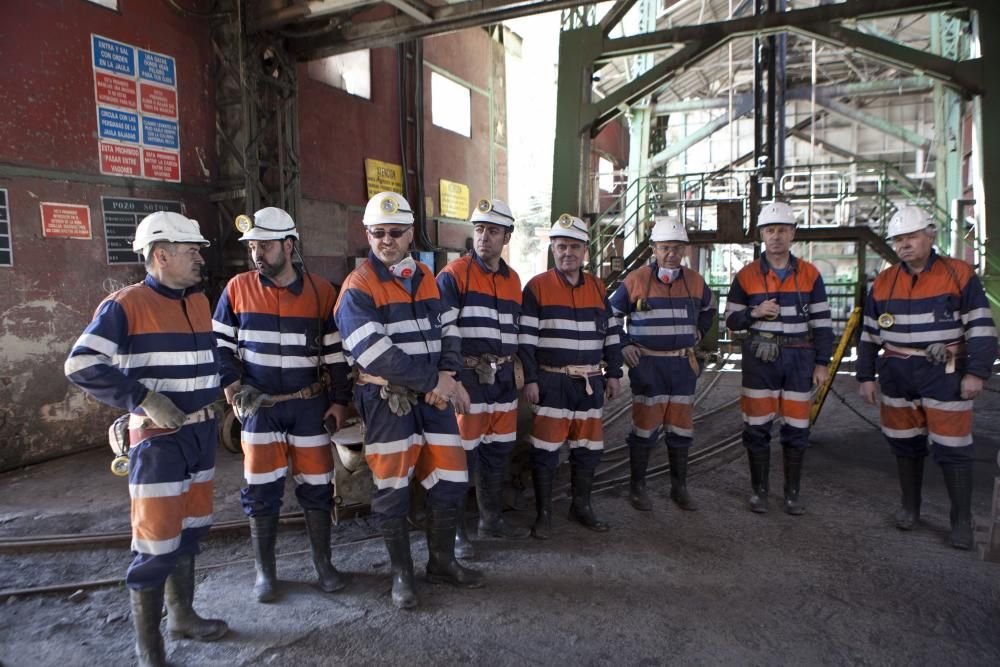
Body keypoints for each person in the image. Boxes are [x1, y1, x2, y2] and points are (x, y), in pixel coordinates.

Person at [65, 211, 228, 667]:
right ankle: (149, 652)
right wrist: (143, 398)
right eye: (191, 250)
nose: (200, 258)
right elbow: (80, 365)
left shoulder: (198, 302)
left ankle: (183, 617)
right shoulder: (125, 305)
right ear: (161, 254)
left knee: (191, 532)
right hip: (159, 442)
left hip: (199, 433)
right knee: (156, 542)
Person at [334, 191, 483, 609]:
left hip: (433, 396)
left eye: (395, 232)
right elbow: (375, 353)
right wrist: (437, 382)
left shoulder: (426, 275)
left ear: (411, 233)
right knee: (392, 488)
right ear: (367, 234)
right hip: (387, 400)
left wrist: (450, 376)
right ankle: (402, 575)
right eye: (378, 233)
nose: (386, 240)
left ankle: (441, 561)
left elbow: (450, 330)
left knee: (452, 479)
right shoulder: (357, 288)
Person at [213, 207, 352, 603]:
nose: (258, 254)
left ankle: (324, 565)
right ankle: (265, 574)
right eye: (253, 246)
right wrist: (232, 382)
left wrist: (340, 402)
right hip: (259, 409)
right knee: (260, 490)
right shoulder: (237, 288)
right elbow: (220, 343)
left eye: (266, 246)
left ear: (288, 246)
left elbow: (336, 354)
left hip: (309, 406)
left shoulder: (322, 292)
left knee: (317, 487)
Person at [857, 205, 996, 549]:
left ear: (930, 236)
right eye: (899, 239)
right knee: (904, 444)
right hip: (897, 372)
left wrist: (976, 372)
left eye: (911, 237)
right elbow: (870, 333)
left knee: (953, 448)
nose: (904, 245)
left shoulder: (958, 274)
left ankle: (960, 522)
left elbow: (980, 326)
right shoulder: (885, 281)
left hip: (944, 373)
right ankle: (910, 509)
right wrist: (865, 376)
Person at [519, 214, 624, 538]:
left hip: (589, 382)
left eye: (575, 247)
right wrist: (532, 380)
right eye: (562, 246)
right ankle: (544, 514)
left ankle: (582, 506)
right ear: (552, 249)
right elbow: (526, 339)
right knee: (545, 451)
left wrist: (614, 373)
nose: (568, 252)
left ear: (585, 251)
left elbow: (610, 334)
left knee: (588, 449)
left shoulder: (597, 286)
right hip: (553, 382)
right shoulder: (537, 287)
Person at [724, 200, 833, 515]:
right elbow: (731, 320)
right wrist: (755, 312)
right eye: (771, 230)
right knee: (756, 425)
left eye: (783, 230)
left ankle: (792, 494)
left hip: (799, 357)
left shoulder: (811, 275)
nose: (776, 236)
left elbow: (823, 324)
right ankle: (759, 491)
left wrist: (822, 363)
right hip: (761, 357)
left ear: (793, 234)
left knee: (797, 427)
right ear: (762, 234)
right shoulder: (746, 276)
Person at [437, 198, 531, 557]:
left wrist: (518, 368)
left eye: (492, 231)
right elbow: (444, 333)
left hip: (503, 377)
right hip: (469, 378)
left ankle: (490, 520)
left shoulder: (513, 280)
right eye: (479, 230)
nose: (484, 237)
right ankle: (460, 533)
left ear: (506, 236)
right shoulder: (453, 275)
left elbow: (516, 327)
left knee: (497, 453)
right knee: (463, 457)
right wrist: (452, 377)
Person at [609, 216, 716, 512]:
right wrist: (625, 344)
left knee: (681, 428)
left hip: (683, 365)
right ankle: (638, 488)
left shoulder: (695, 281)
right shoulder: (635, 280)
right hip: (648, 365)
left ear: (683, 251)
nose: (672, 254)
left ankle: (679, 488)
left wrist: (699, 330)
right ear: (653, 249)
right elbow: (611, 315)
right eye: (665, 248)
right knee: (645, 428)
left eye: (677, 248)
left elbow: (709, 308)